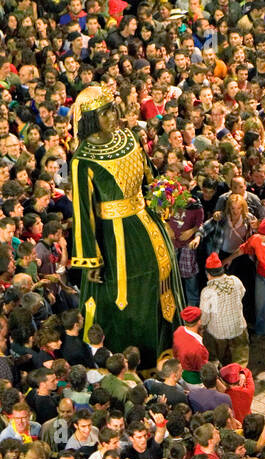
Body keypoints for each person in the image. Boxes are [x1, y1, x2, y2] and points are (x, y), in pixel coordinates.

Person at [68, 85, 183, 363]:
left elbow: (149, 177)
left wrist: (163, 197)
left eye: (112, 109)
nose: (113, 116)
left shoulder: (130, 138)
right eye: (105, 113)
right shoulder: (82, 161)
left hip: (147, 223)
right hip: (114, 240)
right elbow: (83, 213)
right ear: (90, 119)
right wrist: (90, 259)